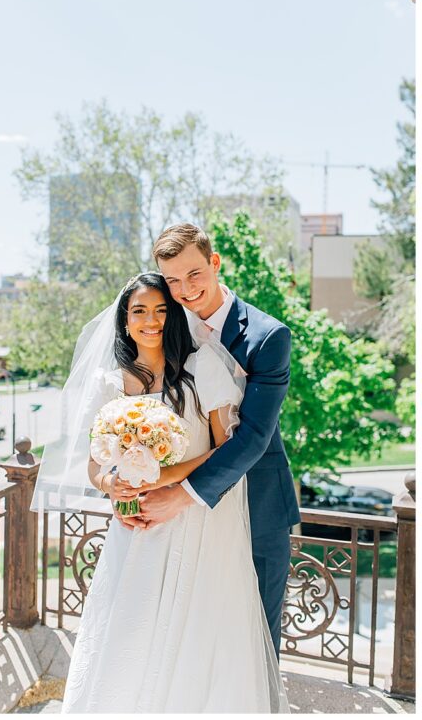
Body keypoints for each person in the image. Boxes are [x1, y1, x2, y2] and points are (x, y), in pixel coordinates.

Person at [37, 272, 288, 712]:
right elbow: (96, 464)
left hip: (195, 520)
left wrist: (164, 479)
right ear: (125, 319)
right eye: (139, 311)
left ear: (174, 316)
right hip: (135, 527)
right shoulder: (109, 383)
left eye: (160, 309)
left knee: (194, 630)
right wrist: (112, 487)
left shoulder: (204, 365)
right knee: (132, 631)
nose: (150, 320)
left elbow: (226, 450)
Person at [144, 223, 301, 655]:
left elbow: (252, 436)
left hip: (257, 505)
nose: (185, 289)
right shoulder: (167, 326)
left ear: (214, 263)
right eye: (172, 280)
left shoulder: (268, 337)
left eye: (194, 274)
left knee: (256, 643)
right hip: (191, 524)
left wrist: (180, 494)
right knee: (196, 638)